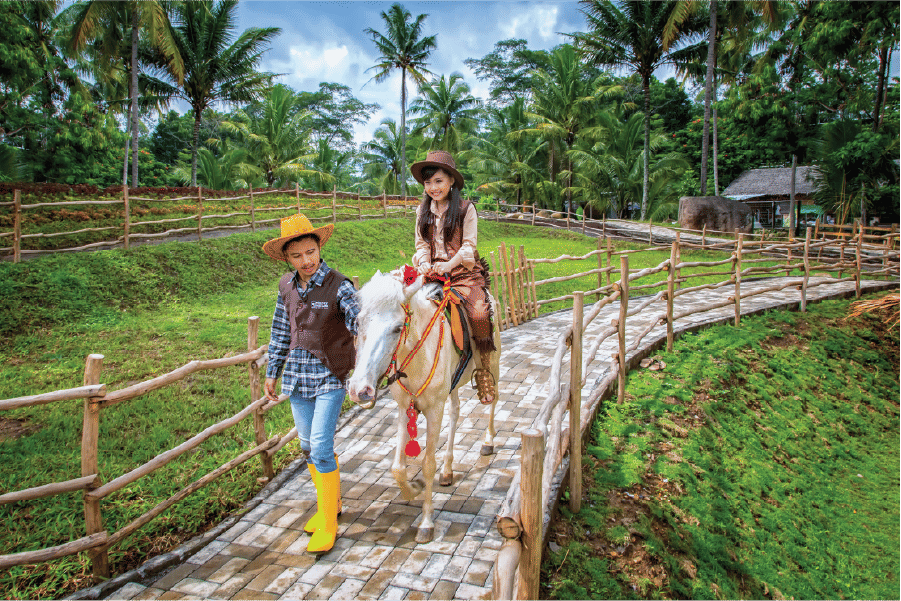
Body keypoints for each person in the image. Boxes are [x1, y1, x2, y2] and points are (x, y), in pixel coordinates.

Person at [261, 213, 359, 554]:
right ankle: (332, 504)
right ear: (288, 259)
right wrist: (273, 370)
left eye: (310, 251)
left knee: (319, 444)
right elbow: (279, 331)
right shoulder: (286, 287)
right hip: (298, 376)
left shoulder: (338, 284)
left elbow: (357, 320)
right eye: (297, 255)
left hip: (331, 374)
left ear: (319, 247)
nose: (306, 260)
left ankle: (327, 523)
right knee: (306, 445)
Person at [410, 150, 497, 404]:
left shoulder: (465, 209)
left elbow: (469, 246)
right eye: (428, 183)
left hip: (462, 273)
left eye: (438, 181)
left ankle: (483, 370)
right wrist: (425, 262)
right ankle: (412, 367)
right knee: (407, 306)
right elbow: (421, 245)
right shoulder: (422, 211)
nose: (433, 188)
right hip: (432, 274)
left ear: (451, 181)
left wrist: (449, 264)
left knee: (480, 314)